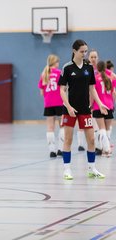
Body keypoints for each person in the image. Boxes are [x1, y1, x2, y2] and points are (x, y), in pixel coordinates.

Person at [58, 39, 108, 180]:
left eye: (86, 51)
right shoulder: (67, 68)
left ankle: (92, 169)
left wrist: (100, 103)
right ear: (74, 51)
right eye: (82, 51)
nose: (84, 54)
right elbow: (62, 90)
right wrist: (68, 106)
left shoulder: (89, 68)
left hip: (85, 109)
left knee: (91, 140)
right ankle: (67, 170)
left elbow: (92, 89)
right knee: (68, 139)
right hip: (69, 110)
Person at [38, 54, 64, 158]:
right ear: (56, 62)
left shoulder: (44, 74)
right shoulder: (59, 73)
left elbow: (41, 92)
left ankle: (52, 151)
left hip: (48, 104)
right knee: (62, 126)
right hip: (59, 103)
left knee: (50, 127)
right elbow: (63, 88)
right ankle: (60, 149)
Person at [92, 61, 115, 157]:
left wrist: (90, 105)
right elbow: (113, 93)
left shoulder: (95, 79)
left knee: (101, 129)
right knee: (107, 129)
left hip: (98, 106)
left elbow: (92, 94)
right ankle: (107, 148)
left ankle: (106, 149)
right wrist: (112, 104)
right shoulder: (109, 79)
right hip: (109, 106)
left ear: (97, 68)